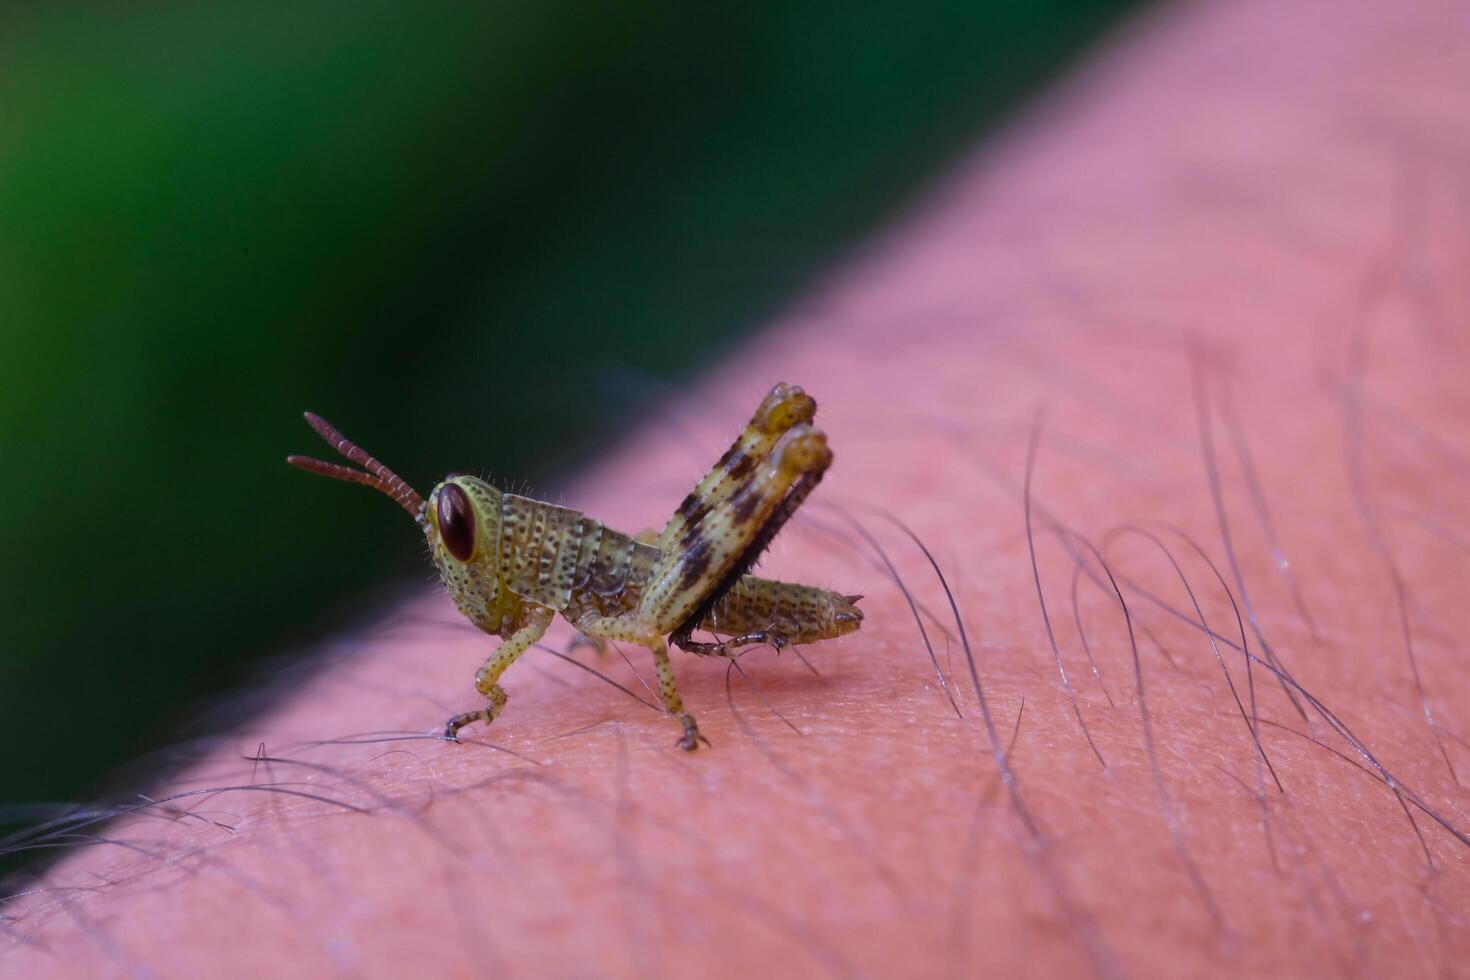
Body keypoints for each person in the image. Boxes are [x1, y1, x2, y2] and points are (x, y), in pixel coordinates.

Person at [5, 0, 1468, 974]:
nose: (451, 557)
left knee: (701, 539)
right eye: (442, 532)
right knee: (646, 588)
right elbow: (518, 628)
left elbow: (588, 630)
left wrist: (646, 700)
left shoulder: (562, 590)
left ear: (481, 526)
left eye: (446, 527)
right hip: (654, 581)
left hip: (689, 594)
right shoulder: (514, 566)